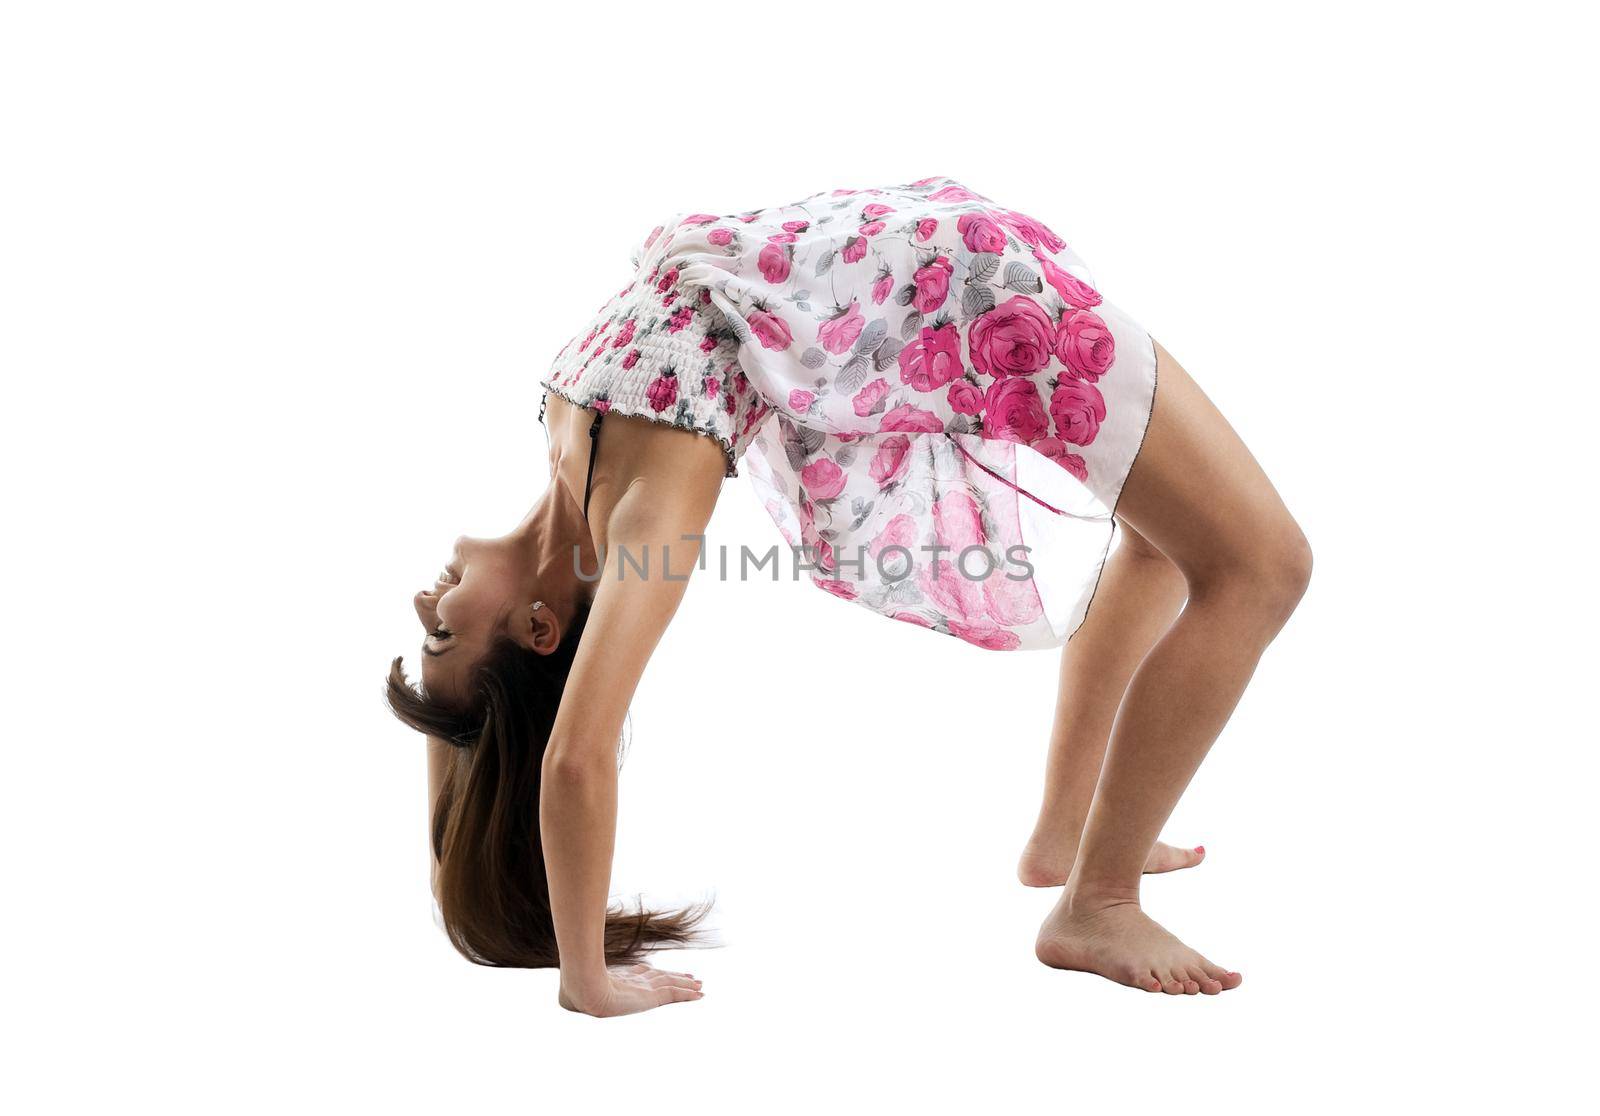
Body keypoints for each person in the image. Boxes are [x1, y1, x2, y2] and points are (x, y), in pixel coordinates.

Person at [387, 176, 1311, 1016]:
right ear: (541, 627)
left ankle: (1069, 839)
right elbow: (573, 759)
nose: (424, 608)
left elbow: (479, 723)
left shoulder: (567, 430)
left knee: (1159, 538)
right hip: (996, 307)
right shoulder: (646, 506)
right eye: (441, 637)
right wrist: (584, 979)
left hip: (973, 273)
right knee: (1262, 568)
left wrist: (451, 860)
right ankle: (1099, 903)